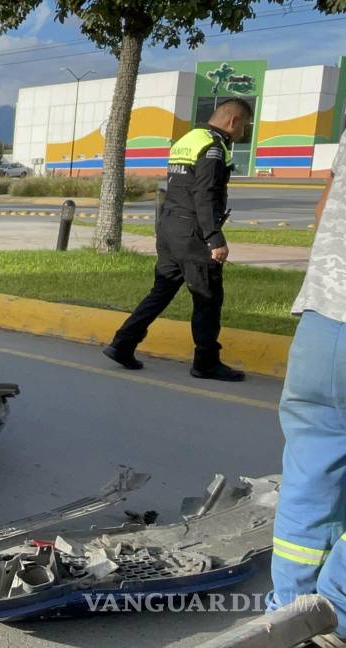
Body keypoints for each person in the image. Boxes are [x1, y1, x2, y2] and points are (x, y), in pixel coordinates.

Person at [103, 98, 255, 381]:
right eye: (245, 126)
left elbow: (178, 188)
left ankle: (123, 343)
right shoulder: (213, 146)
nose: (243, 133)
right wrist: (214, 239)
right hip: (193, 234)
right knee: (207, 297)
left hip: (170, 229)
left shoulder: (188, 139)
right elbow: (205, 194)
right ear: (233, 121)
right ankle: (206, 363)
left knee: (161, 291)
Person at [269, 127, 346, 641]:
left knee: (311, 471)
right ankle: (336, 618)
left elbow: (325, 213)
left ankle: (288, 612)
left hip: (325, 318)